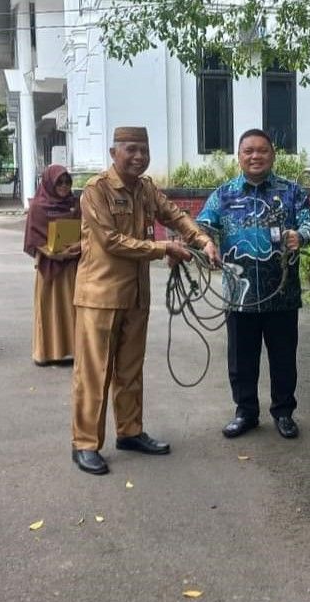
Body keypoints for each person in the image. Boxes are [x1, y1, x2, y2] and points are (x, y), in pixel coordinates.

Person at [71, 126, 221, 475]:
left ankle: (130, 432)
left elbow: (174, 214)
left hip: (136, 295)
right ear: (114, 152)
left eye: (144, 150)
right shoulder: (97, 191)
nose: (139, 156)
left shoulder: (146, 188)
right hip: (100, 296)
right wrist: (164, 248)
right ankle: (85, 443)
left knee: (130, 368)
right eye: (131, 150)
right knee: (94, 373)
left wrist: (202, 240)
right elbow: (111, 241)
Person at [197, 129, 310, 440]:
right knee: (241, 360)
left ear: (273, 155)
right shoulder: (223, 194)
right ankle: (246, 413)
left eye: (262, 150)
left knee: (283, 357)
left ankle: (283, 413)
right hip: (239, 296)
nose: (255, 156)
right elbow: (201, 225)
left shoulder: (291, 192)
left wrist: (300, 235)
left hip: (281, 294)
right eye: (248, 151)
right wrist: (205, 243)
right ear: (239, 157)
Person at [24, 164, 79, 365]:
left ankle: (72, 350)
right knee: (49, 309)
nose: (64, 186)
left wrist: (77, 246)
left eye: (67, 181)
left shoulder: (74, 204)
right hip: (50, 265)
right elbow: (34, 238)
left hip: (72, 265)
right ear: (49, 183)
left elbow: (85, 230)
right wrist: (54, 254)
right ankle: (45, 353)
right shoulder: (38, 207)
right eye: (59, 182)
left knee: (71, 308)